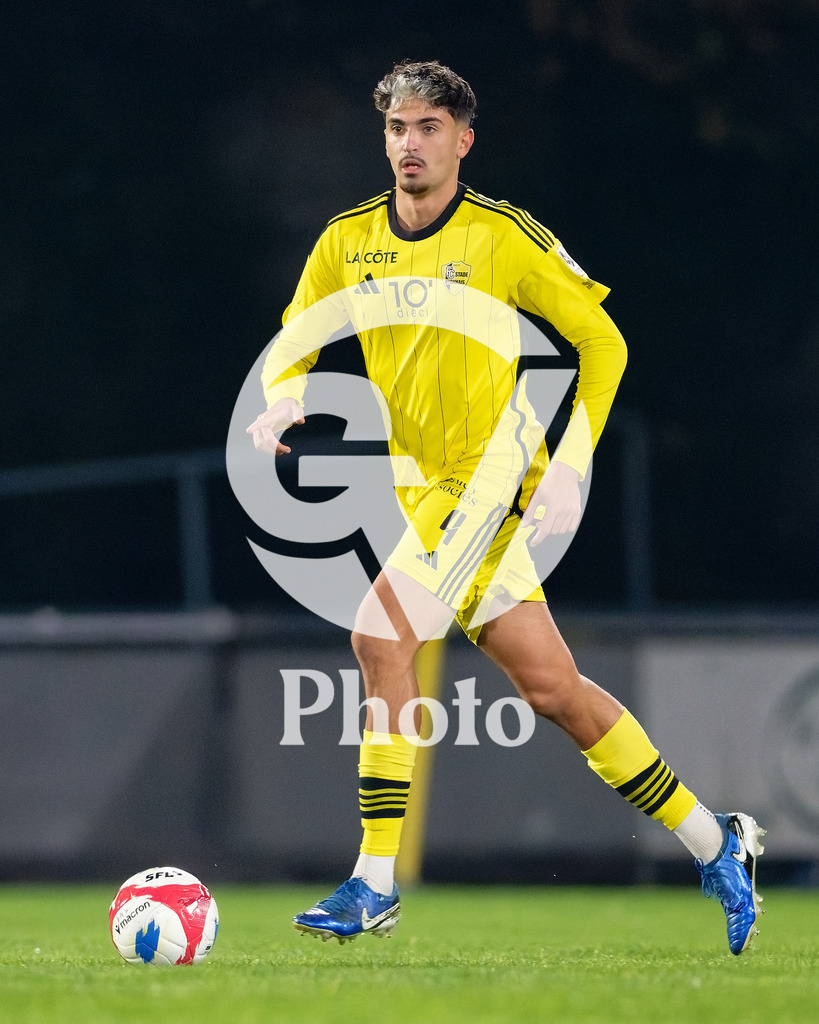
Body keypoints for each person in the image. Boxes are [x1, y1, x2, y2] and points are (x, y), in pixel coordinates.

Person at [247, 60, 765, 955]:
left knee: (378, 636)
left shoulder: (504, 238)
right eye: (397, 129)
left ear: (463, 139)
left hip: (488, 485)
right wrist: (284, 393)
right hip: (418, 496)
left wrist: (571, 458)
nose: (410, 144)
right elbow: (298, 334)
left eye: (428, 128)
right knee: (554, 690)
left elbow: (601, 340)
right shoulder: (347, 240)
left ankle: (373, 880)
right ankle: (713, 841)